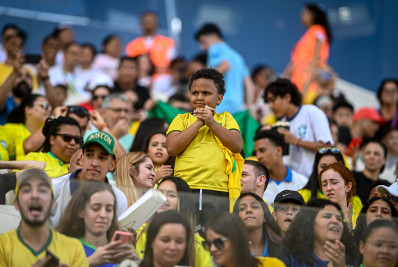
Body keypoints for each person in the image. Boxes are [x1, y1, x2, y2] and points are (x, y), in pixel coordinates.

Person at [166, 68, 243, 233]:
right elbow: (172, 148)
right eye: (195, 93)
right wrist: (198, 123)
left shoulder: (226, 119)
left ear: (219, 98)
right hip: (185, 189)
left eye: (206, 93)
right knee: (185, 236)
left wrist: (212, 123)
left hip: (218, 191)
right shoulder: (181, 119)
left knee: (215, 238)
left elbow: (237, 145)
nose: (199, 97)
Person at [0, 168, 88, 266]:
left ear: (52, 204)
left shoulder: (74, 248)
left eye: (42, 192)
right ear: (16, 204)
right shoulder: (3, 245)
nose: (35, 198)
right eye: (27, 191)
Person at [50, 131, 128, 227]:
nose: (94, 163)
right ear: (82, 159)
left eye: (102, 158)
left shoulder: (119, 199)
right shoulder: (55, 187)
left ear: (112, 165)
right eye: (89, 155)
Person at [136, 176, 212, 267]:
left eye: (171, 195)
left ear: (183, 202)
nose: (163, 199)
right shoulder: (138, 233)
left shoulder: (198, 244)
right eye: (159, 194)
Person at [264, 78, 333, 178]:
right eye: (268, 102)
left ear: (287, 97)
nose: (270, 106)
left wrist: (297, 141)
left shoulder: (312, 112)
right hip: (294, 184)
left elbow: (327, 147)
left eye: (273, 100)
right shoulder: (281, 124)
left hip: (314, 181)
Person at [57, 182, 139, 266]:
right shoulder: (65, 247)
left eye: (109, 209)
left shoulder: (119, 251)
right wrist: (90, 261)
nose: (103, 215)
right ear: (80, 211)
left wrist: (136, 262)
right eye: (96, 208)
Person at [195, 23, 254, 114]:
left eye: (203, 42)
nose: (202, 47)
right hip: (237, 107)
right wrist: (249, 109)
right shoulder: (237, 57)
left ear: (213, 35)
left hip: (220, 104)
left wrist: (203, 84)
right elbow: (249, 85)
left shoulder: (215, 48)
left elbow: (225, 65)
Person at [278, 199, 357, 267]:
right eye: (327, 216)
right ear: (310, 223)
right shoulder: (289, 259)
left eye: (339, 219)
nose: (335, 221)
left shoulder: (353, 260)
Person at [283, 3, 333, 104]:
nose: (301, 16)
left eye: (304, 13)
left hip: (309, 87)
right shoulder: (309, 34)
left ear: (313, 15)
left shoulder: (318, 31)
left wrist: (305, 87)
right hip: (298, 85)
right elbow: (294, 62)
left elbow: (315, 60)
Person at [205, 212, 285, 267]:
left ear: (237, 240)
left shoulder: (271, 265)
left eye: (219, 242)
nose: (212, 249)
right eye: (208, 244)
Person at [254, 130, 307, 204]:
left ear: (278, 151)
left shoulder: (302, 183)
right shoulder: (256, 186)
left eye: (262, 150)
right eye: (256, 152)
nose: (258, 156)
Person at [0, 94, 51, 160]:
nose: (49, 110)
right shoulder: (8, 129)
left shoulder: (51, 136)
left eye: (50, 107)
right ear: (28, 109)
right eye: (44, 106)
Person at [233, 192, 282, 257]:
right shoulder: (230, 249)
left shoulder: (282, 248)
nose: (248, 210)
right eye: (242, 208)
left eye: (254, 207)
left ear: (265, 216)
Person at [319, 162, 360, 230]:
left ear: (348, 187)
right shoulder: (316, 216)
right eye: (324, 184)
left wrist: (349, 227)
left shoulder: (361, 217)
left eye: (334, 182)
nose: (328, 188)